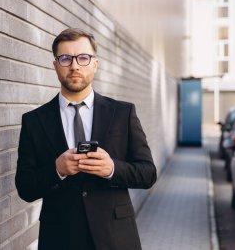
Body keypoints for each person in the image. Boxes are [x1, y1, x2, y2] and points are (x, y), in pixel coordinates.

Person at [15, 28, 157, 250]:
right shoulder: (34, 121)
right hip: (60, 238)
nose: (74, 66)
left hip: (116, 238)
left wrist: (112, 168)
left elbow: (148, 173)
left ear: (95, 64)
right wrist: (57, 170)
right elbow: (25, 187)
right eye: (65, 58)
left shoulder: (122, 113)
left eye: (83, 57)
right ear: (55, 66)